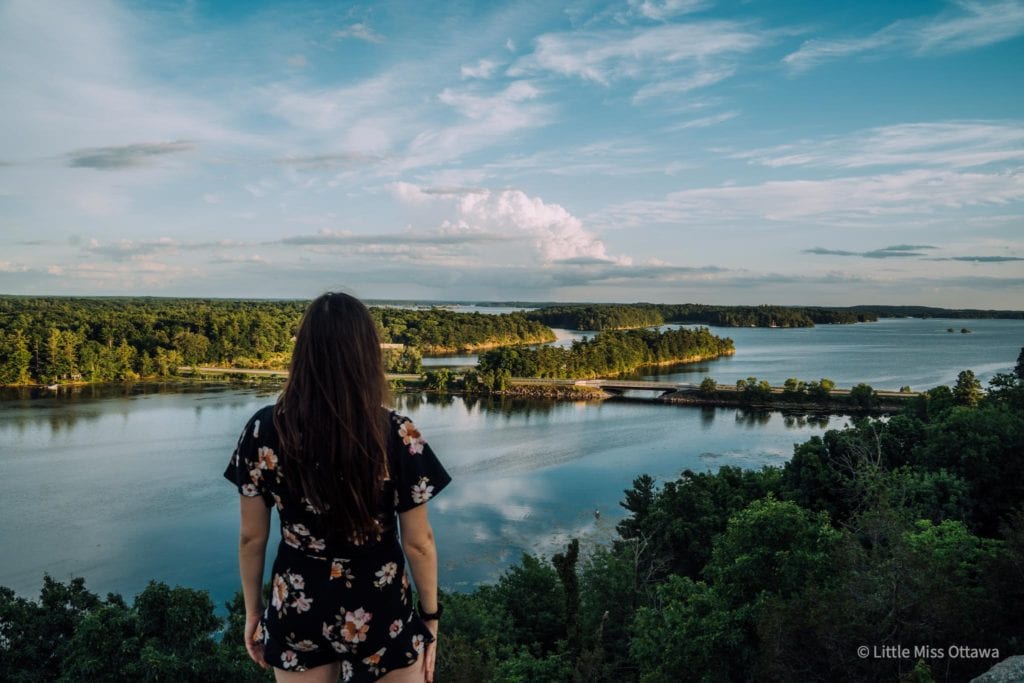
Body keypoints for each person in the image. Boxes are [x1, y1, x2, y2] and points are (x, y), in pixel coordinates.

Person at [224, 292, 451, 682]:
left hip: (298, 604)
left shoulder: (263, 430)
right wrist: (430, 618)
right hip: (379, 607)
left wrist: (254, 612)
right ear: (366, 356)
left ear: (304, 354)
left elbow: (250, 538)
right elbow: (419, 543)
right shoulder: (397, 434)